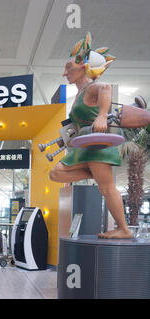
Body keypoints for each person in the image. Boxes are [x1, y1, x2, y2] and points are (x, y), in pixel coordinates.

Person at [49, 32, 133, 239]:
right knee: (56, 173)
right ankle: (94, 175)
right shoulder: (80, 93)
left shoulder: (91, 87)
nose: (64, 73)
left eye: (68, 68)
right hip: (85, 146)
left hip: (98, 144)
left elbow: (105, 88)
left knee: (106, 187)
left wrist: (103, 116)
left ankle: (123, 229)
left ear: (83, 65)